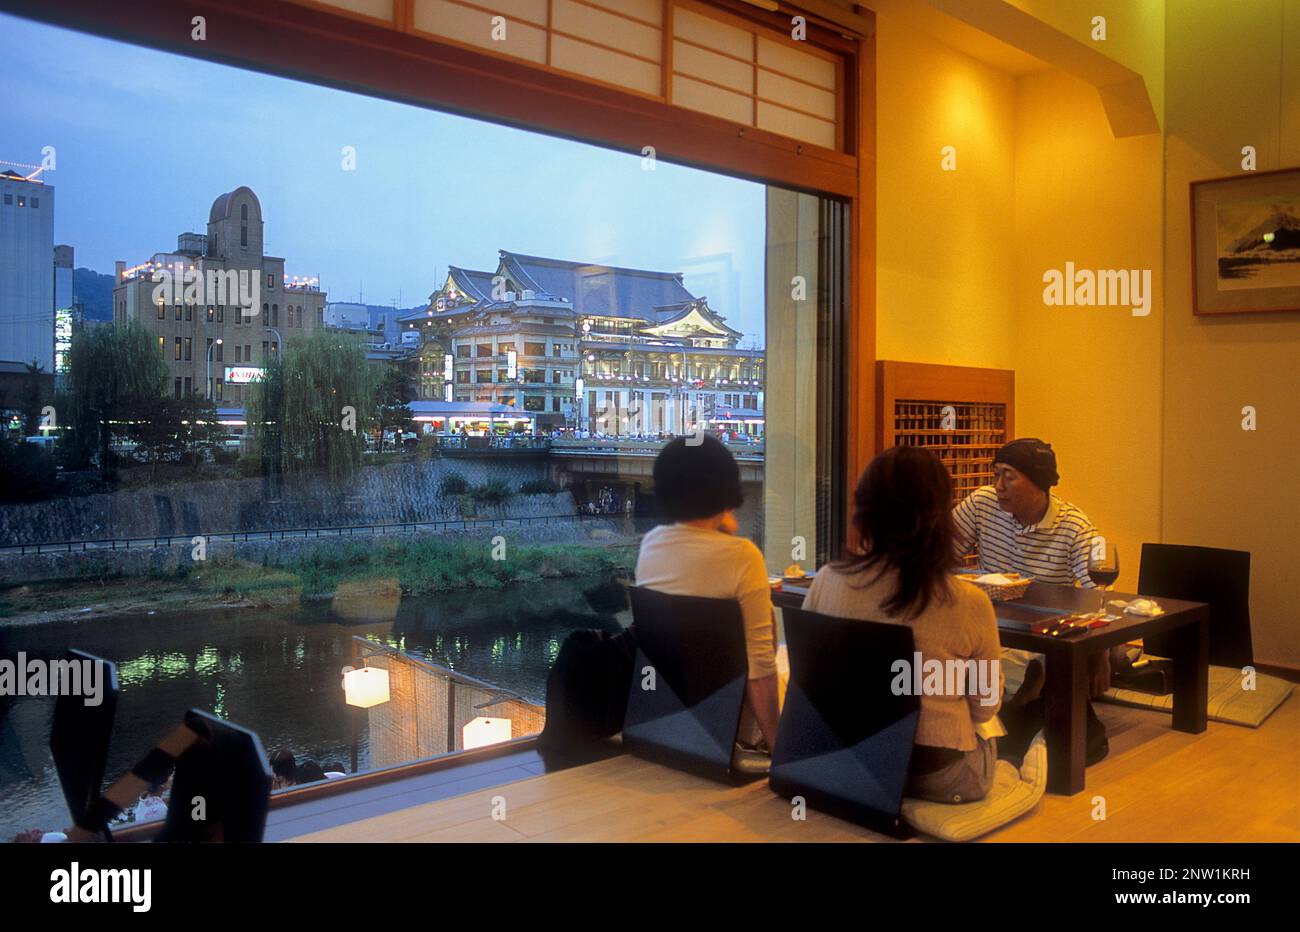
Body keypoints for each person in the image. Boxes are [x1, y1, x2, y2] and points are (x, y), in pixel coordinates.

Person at [802, 446, 1006, 804]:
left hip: (848, 759)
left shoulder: (826, 580)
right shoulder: (969, 602)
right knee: (1001, 730)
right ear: (939, 517)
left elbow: (809, 676)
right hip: (933, 775)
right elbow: (984, 706)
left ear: (864, 510)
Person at [952, 437, 1112, 764]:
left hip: (1045, 632)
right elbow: (941, 550)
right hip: (989, 622)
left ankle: (1018, 714)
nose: (997, 486)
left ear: (1039, 482)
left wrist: (1100, 656)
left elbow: (1097, 593)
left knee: (1009, 668)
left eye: (1008, 476)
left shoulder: (1075, 526)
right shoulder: (982, 503)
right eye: (995, 474)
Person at [634, 435, 781, 754]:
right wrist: (781, 751)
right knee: (779, 657)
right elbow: (760, 670)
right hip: (727, 728)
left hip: (664, 718)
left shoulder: (651, 543)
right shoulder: (744, 556)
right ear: (727, 487)